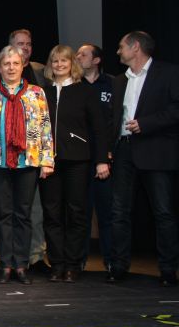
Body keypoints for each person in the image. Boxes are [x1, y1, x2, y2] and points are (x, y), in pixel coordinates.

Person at [0, 45, 54, 285]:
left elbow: (45, 127)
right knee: (3, 214)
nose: (11, 67)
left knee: (23, 214)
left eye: (15, 63)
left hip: (28, 161)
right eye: (6, 64)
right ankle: (5, 263)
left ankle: (21, 263)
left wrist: (47, 160)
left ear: (22, 67)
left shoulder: (36, 93)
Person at [108, 31, 179, 287]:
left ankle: (168, 269)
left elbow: (175, 110)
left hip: (156, 150)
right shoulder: (119, 80)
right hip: (124, 149)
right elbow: (114, 118)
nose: (118, 52)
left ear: (135, 47)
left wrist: (146, 124)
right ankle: (118, 266)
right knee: (119, 211)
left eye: (121, 47)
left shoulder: (168, 73)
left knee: (163, 212)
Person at [40, 45, 108, 283]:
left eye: (64, 61)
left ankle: (73, 264)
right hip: (49, 162)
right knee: (52, 213)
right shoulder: (43, 92)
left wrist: (101, 160)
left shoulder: (84, 91)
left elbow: (99, 128)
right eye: (55, 61)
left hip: (78, 160)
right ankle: (56, 264)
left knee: (76, 212)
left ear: (72, 64)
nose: (59, 65)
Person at [75, 43, 114, 269]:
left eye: (83, 54)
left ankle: (111, 261)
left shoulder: (112, 84)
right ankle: (78, 261)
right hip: (80, 158)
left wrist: (106, 153)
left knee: (106, 212)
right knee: (80, 212)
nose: (78, 57)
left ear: (96, 60)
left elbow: (114, 121)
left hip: (104, 158)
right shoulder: (74, 86)